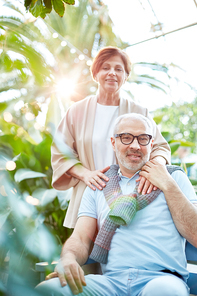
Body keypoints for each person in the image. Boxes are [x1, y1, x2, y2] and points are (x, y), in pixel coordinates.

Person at [36, 113, 197, 296]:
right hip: (111, 283)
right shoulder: (99, 185)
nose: (135, 146)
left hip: (161, 280)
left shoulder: (174, 178)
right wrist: (68, 258)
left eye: (143, 139)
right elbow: (80, 238)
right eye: (126, 137)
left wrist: (167, 184)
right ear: (113, 143)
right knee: (46, 291)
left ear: (151, 145)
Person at [51, 46, 171, 229]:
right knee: (86, 252)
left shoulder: (140, 112)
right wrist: (86, 174)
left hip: (130, 198)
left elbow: (160, 148)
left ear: (126, 76)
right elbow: (61, 152)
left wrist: (154, 170)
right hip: (89, 194)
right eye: (105, 68)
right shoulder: (76, 111)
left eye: (118, 69)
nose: (112, 73)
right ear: (95, 73)